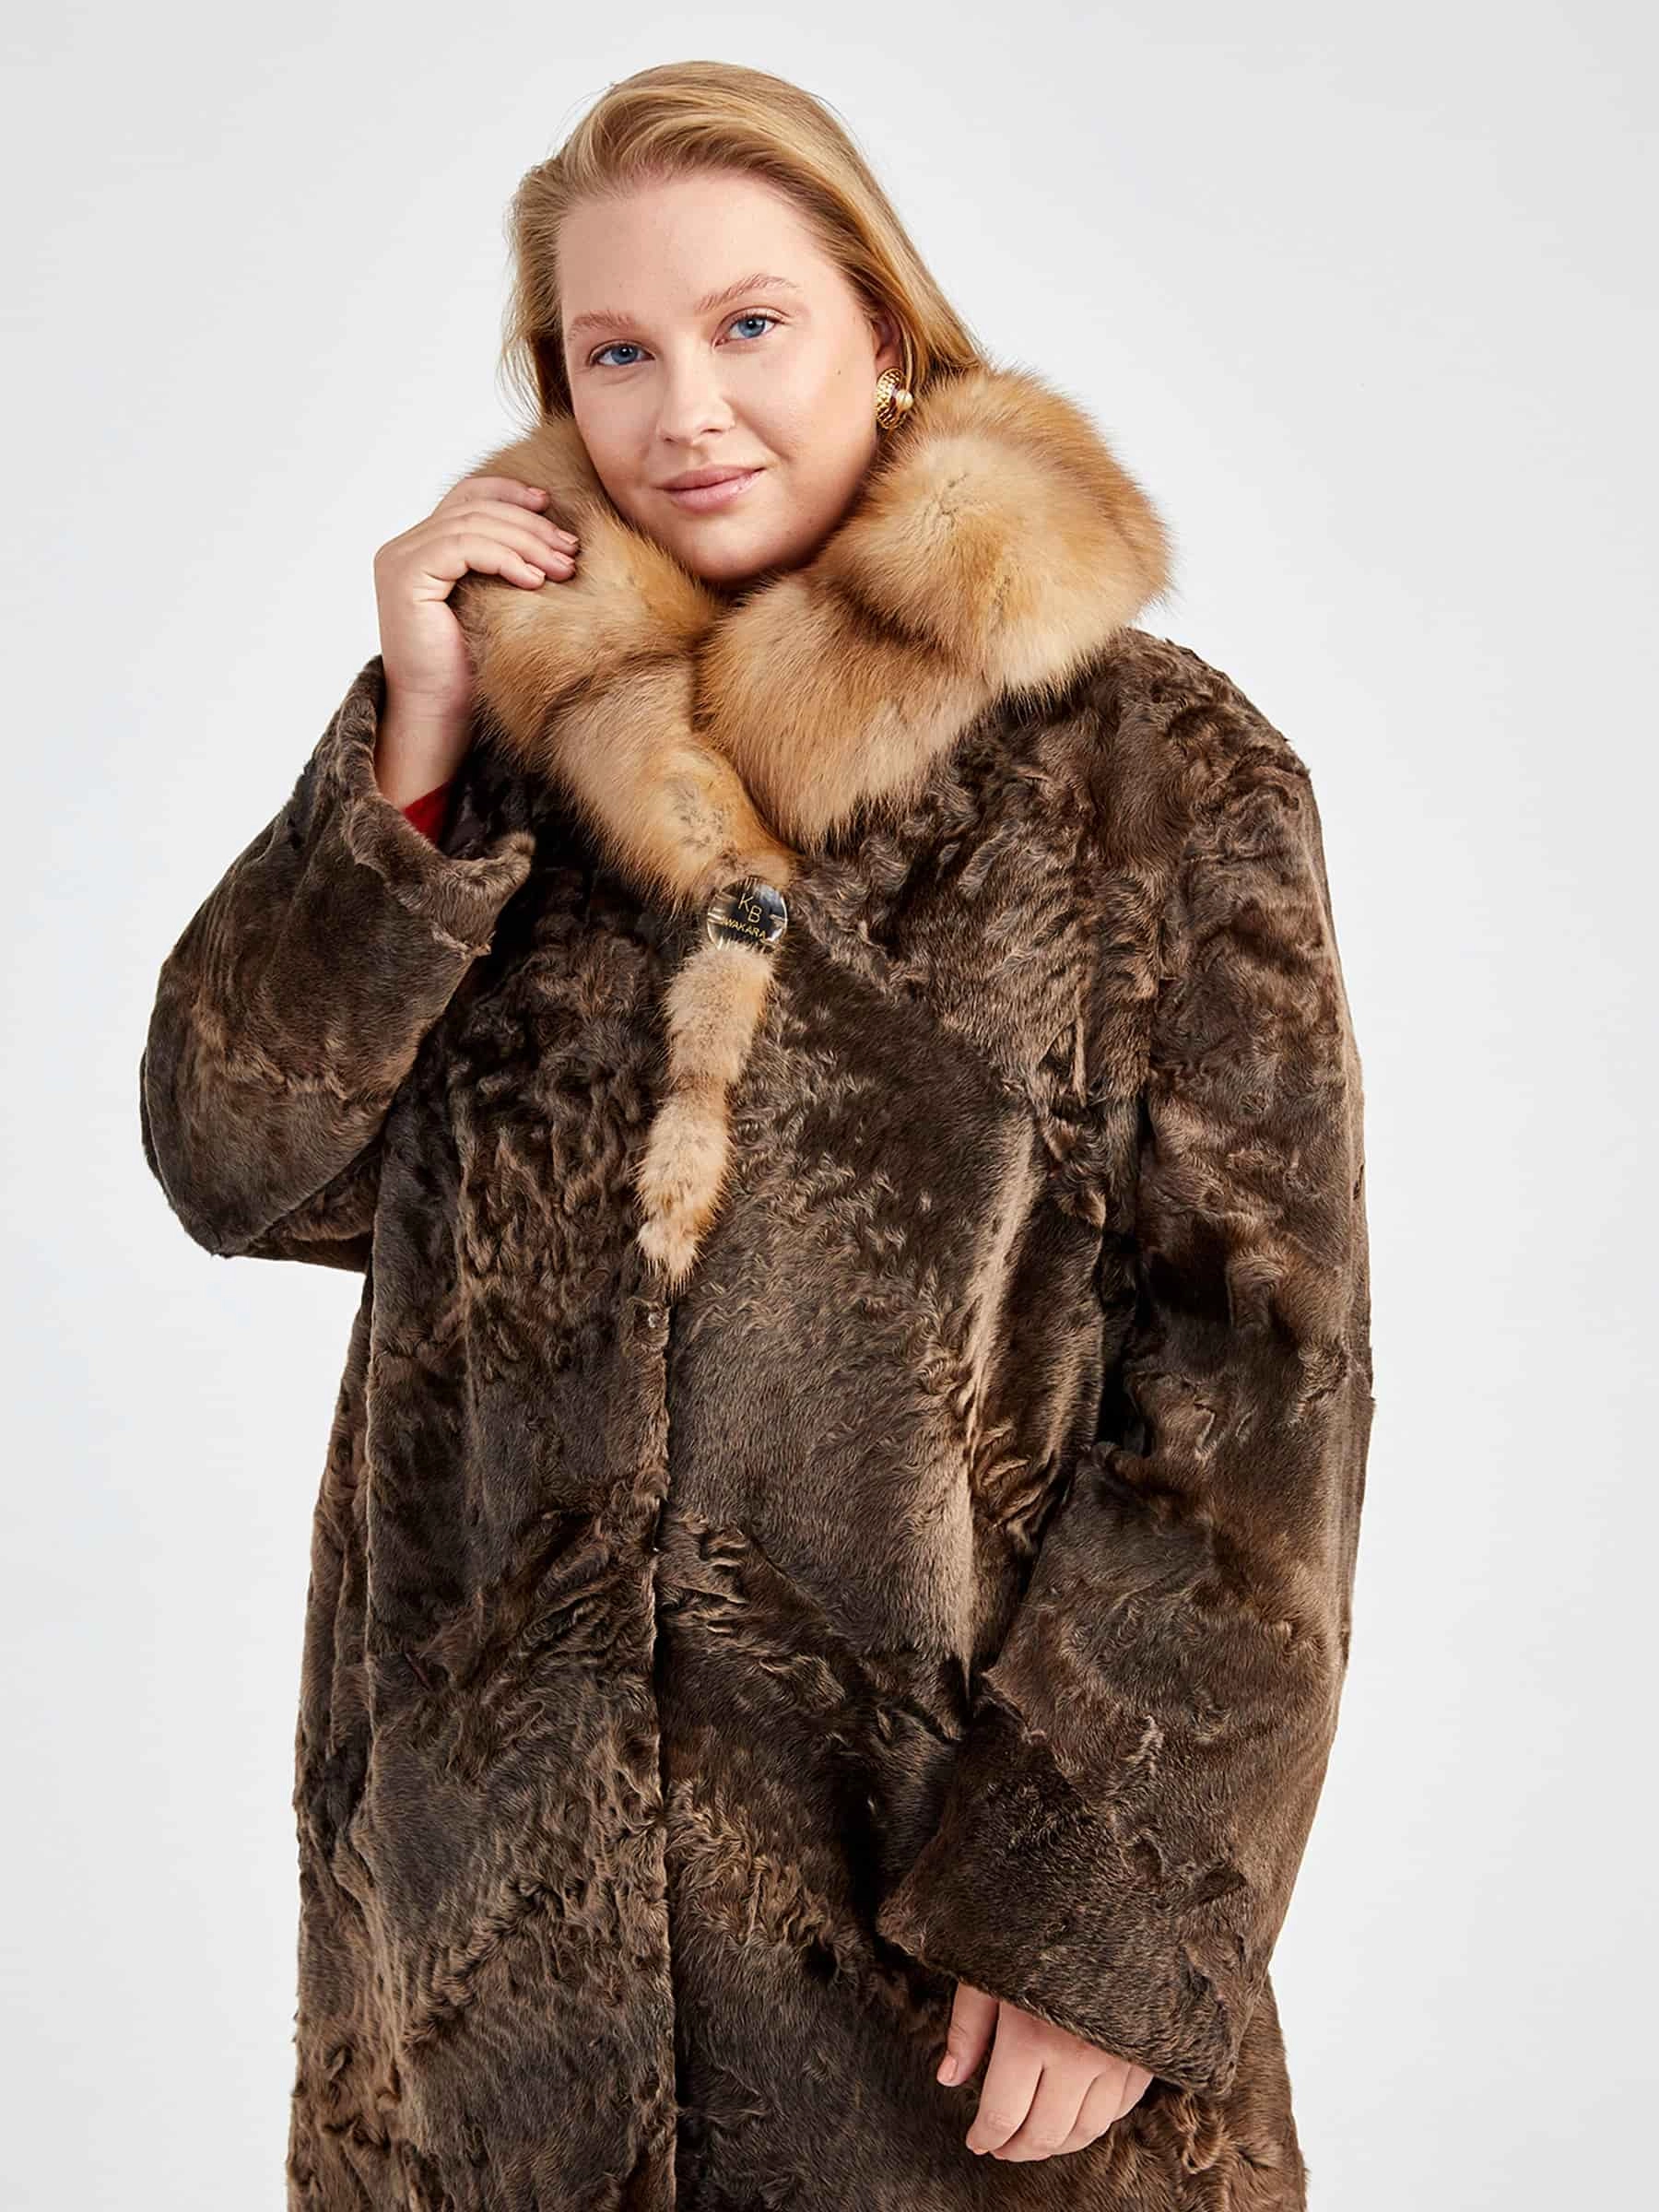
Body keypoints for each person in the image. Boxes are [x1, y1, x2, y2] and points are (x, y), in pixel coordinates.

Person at [138, 58, 1373, 2212]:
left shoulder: (1149, 775)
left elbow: (1263, 1381)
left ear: (883, 333)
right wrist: (409, 763)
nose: (684, 410)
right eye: (615, 352)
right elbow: (238, 1163)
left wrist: (1100, 1919)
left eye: (751, 326)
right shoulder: (498, 760)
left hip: (949, 1965)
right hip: (494, 2000)